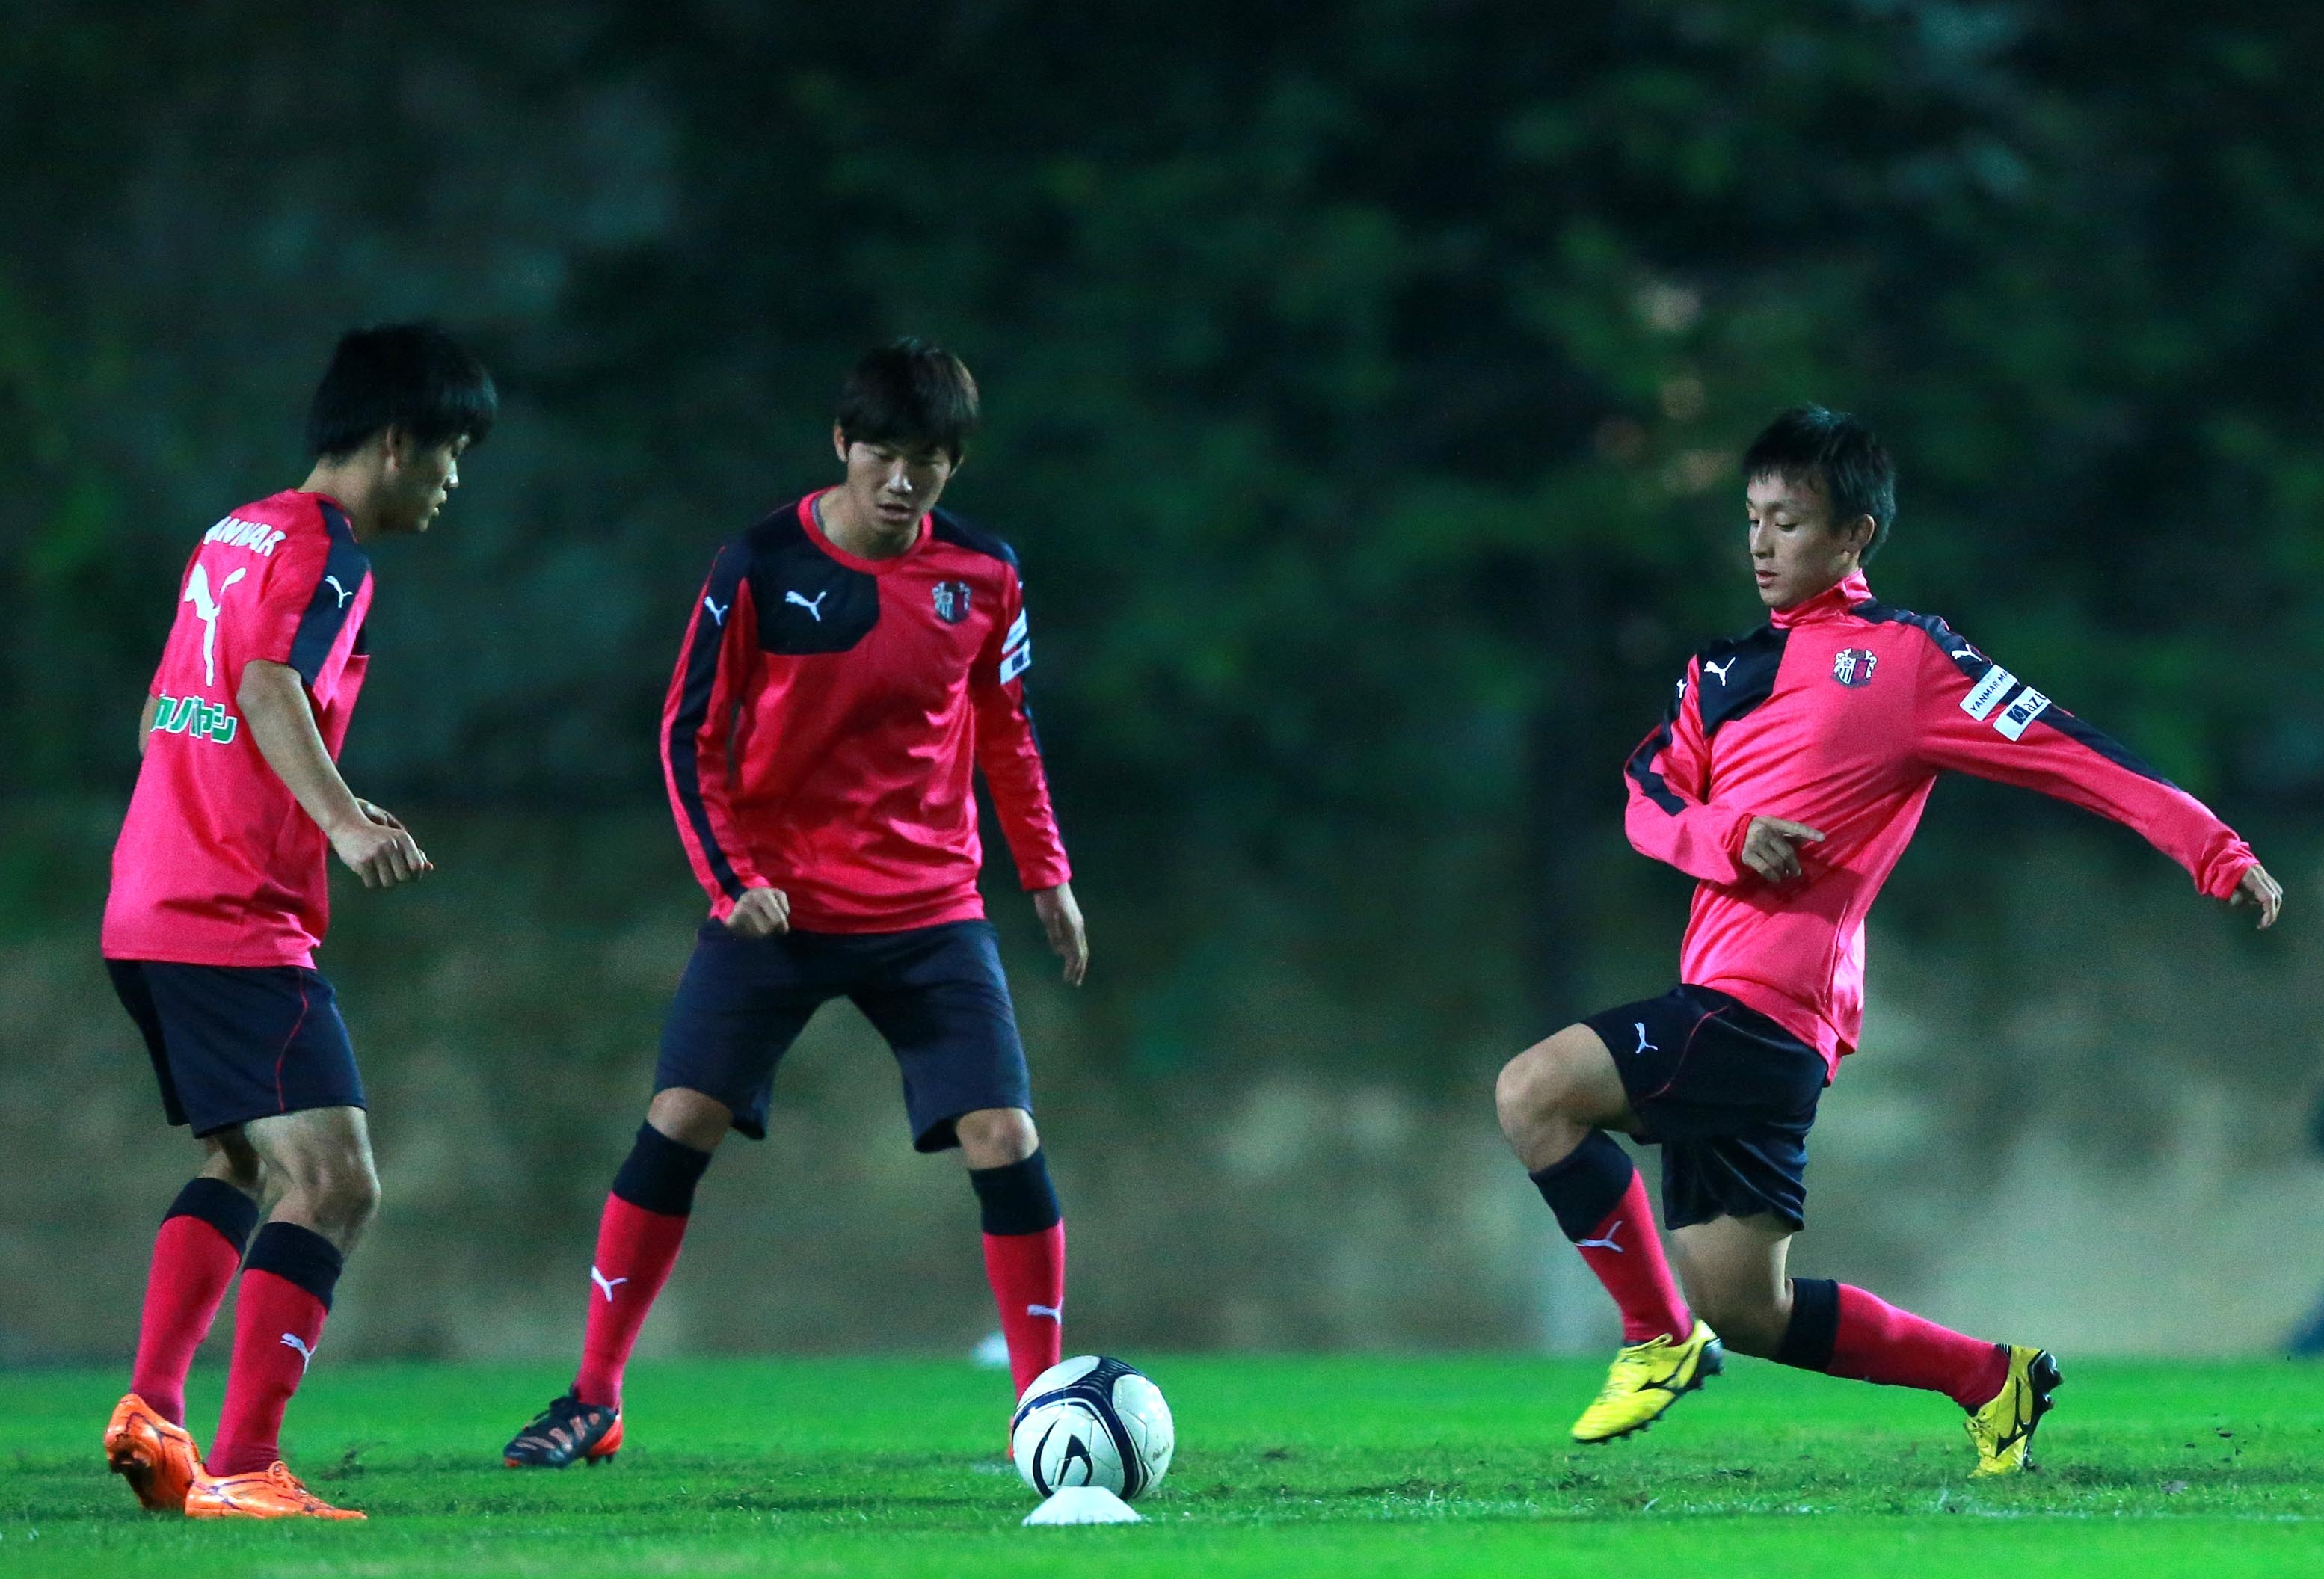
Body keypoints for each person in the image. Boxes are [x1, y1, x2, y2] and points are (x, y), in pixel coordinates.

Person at [1495, 405, 2282, 1473]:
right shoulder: (1715, 676)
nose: (1764, 544)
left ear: (1855, 535)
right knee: (1755, 1311)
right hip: (1737, 1013)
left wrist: (2213, 846)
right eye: (1754, 518)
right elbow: (1645, 799)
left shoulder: (1906, 659)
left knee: (1535, 1093)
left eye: (1791, 521)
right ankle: (1989, 1378)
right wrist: (1727, 834)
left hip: (1759, 1011)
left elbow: (2069, 750)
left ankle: (1654, 1337)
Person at [504, 339, 1086, 1468]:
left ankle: (1042, 1405)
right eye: (884, 453)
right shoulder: (759, 564)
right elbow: (688, 734)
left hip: (930, 909)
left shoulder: (987, 574)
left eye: (930, 459)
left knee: (1005, 1133)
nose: (903, 480)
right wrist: (733, 881)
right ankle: (594, 1395)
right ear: (842, 445)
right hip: (779, 904)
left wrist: (1047, 873)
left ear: (955, 464)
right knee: (681, 1117)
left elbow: (1007, 731)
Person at [100, 324, 497, 1519]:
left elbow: (177, 709)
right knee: (335, 1182)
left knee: (235, 1158)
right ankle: (246, 1467)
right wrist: (343, 827)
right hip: (229, 916)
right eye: (449, 453)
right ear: (392, 442)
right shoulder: (327, 553)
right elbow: (266, 684)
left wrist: (304, 796)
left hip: (147, 898)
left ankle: (152, 1414)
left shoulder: (234, 531)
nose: (452, 480)